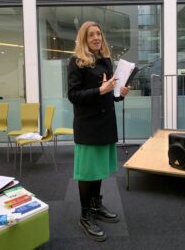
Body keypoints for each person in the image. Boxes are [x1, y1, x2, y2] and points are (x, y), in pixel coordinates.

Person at [67, 21, 130, 242]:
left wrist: (120, 93)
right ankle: (85, 215)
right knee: (87, 172)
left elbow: (110, 94)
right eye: (91, 35)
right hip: (88, 126)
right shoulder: (76, 63)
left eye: (99, 34)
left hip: (105, 123)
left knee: (99, 170)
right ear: (84, 39)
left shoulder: (105, 61)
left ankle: (95, 205)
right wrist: (99, 90)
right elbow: (73, 95)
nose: (96, 38)